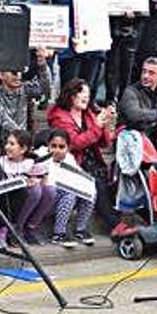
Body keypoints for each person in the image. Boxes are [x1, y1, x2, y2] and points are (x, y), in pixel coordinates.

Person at [47, 78, 119, 231]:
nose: (86, 96)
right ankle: (116, 225)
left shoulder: (88, 114)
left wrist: (104, 123)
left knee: (115, 180)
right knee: (96, 185)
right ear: (71, 95)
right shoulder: (59, 117)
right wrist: (97, 126)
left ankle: (120, 221)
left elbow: (104, 143)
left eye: (88, 93)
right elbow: (75, 143)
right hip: (71, 164)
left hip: (94, 162)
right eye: (82, 92)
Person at [55, 0, 108, 95]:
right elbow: (62, 7)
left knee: (87, 87)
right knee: (70, 87)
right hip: (73, 42)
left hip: (94, 43)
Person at [0, 129, 56, 244]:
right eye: (7, 143)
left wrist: (38, 178)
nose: (7, 147)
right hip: (10, 200)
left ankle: (31, 226)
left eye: (12, 144)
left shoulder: (31, 162)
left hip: (27, 201)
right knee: (35, 191)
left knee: (50, 190)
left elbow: (43, 180)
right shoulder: (1, 161)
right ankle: (16, 228)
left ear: (23, 149)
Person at [104, 0, 147, 103]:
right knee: (112, 67)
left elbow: (146, 10)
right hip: (115, 31)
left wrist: (136, 14)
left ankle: (124, 100)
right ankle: (110, 98)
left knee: (127, 68)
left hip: (133, 33)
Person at [46, 129, 95, 248]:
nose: (57, 150)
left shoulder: (70, 159)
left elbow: (78, 176)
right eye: (53, 146)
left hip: (66, 198)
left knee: (90, 191)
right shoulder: (42, 156)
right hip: (49, 200)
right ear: (48, 145)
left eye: (61, 147)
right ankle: (59, 233)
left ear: (68, 148)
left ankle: (80, 229)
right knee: (69, 194)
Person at [0, 50, 51, 140]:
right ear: (1, 75)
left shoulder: (25, 88)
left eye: (20, 71)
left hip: (23, 142)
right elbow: (0, 117)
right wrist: (21, 135)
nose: (18, 75)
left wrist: (42, 64)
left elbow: (45, 87)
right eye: (14, 72)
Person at [118, 56, 157, 146]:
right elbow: (134, 115)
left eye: (151, 73)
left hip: (155, 140)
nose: (145, 76)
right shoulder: (130, 91)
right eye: (144, 71)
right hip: (132, 140)